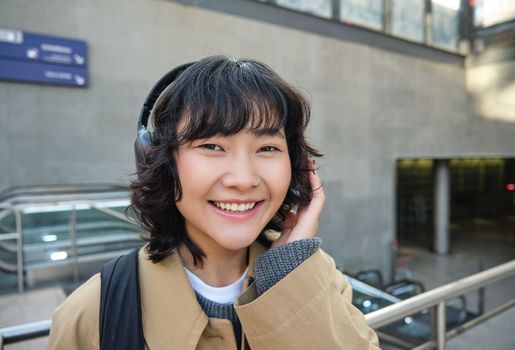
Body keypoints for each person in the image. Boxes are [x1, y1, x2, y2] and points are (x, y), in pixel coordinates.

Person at [47, 56, 380, 349]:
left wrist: (286, 278)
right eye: (211, 146)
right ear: (162, 161)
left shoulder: (317, 274)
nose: (243, 178)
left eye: (267, 148)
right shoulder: (95, 311)